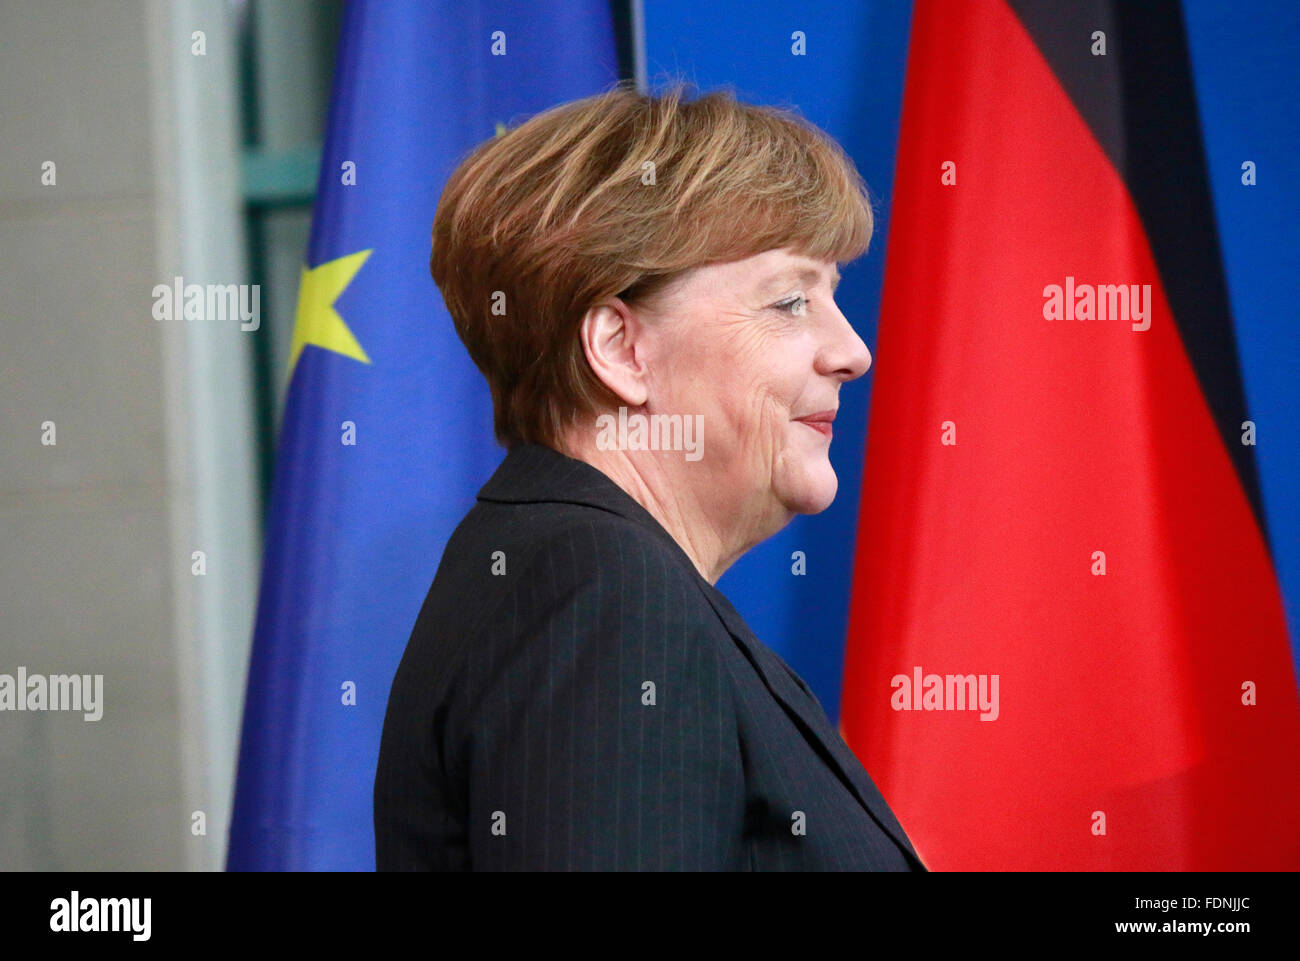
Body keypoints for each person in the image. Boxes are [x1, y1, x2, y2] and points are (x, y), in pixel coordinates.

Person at [374, 82, 925, 871]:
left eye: (831, 296)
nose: (852, 351)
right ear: (622, 349)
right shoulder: (602, 593)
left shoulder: (566, 571)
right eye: (789, 301)